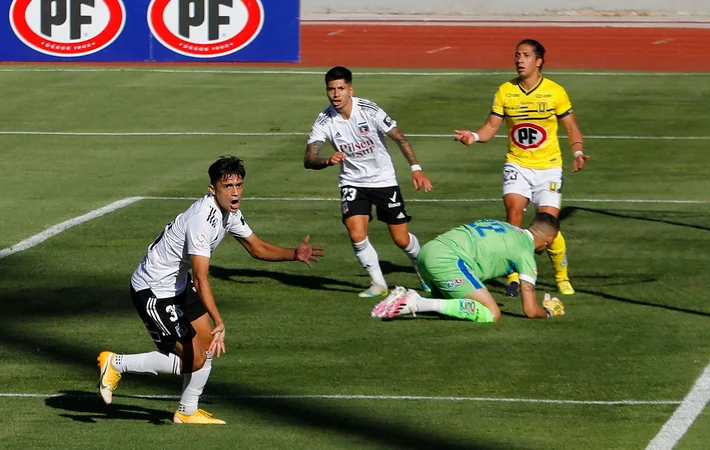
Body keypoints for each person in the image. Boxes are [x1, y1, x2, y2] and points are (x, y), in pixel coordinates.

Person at [96, 155, 324, 424]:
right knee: (194, 361)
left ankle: (187, 411)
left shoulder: (230, 212)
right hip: (153, 290)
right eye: (228, 186)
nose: (235, 192)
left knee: (206, 349)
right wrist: (218, 320)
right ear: (212, 189)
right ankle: (116, 363)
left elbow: (257, 248)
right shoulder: (202, 220)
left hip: (178, 284)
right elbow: (202, 278)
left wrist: (294, 254)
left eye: (239, 185)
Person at [454, 39, 589, 298]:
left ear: (538, 61)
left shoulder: (555, 92)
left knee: (548, 225)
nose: (519, 60)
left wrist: (578, 150)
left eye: (526, 55)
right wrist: (473, 135)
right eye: (517, 55)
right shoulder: (506, 91)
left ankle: (561, 277)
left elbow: (571, 127)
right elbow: (491, 127)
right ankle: (513, 275)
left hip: (548, 168)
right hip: (517, 164)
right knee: (514, 215)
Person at [304, 66, 433, 298]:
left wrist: (416, 169)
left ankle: (423, 270)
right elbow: (309, 159)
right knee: (356, 234)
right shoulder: (324, 120)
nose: (336, 94)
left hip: (383, 180)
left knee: (401, 239)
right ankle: (378, 284)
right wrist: (326, 160)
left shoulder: (369, 110)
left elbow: (400, 138)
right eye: (331, 89)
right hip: (352, 182)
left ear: (350, 90)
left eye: (341, 88)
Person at [370, 213, 565, 323]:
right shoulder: (526, 252)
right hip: (448, 261)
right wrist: (548, 312)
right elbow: (530, 310)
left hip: (427, 253)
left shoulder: (506, 227)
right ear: (548, 241)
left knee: (451, 304)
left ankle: (403, 296)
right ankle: (414, 302)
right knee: (491, 314)